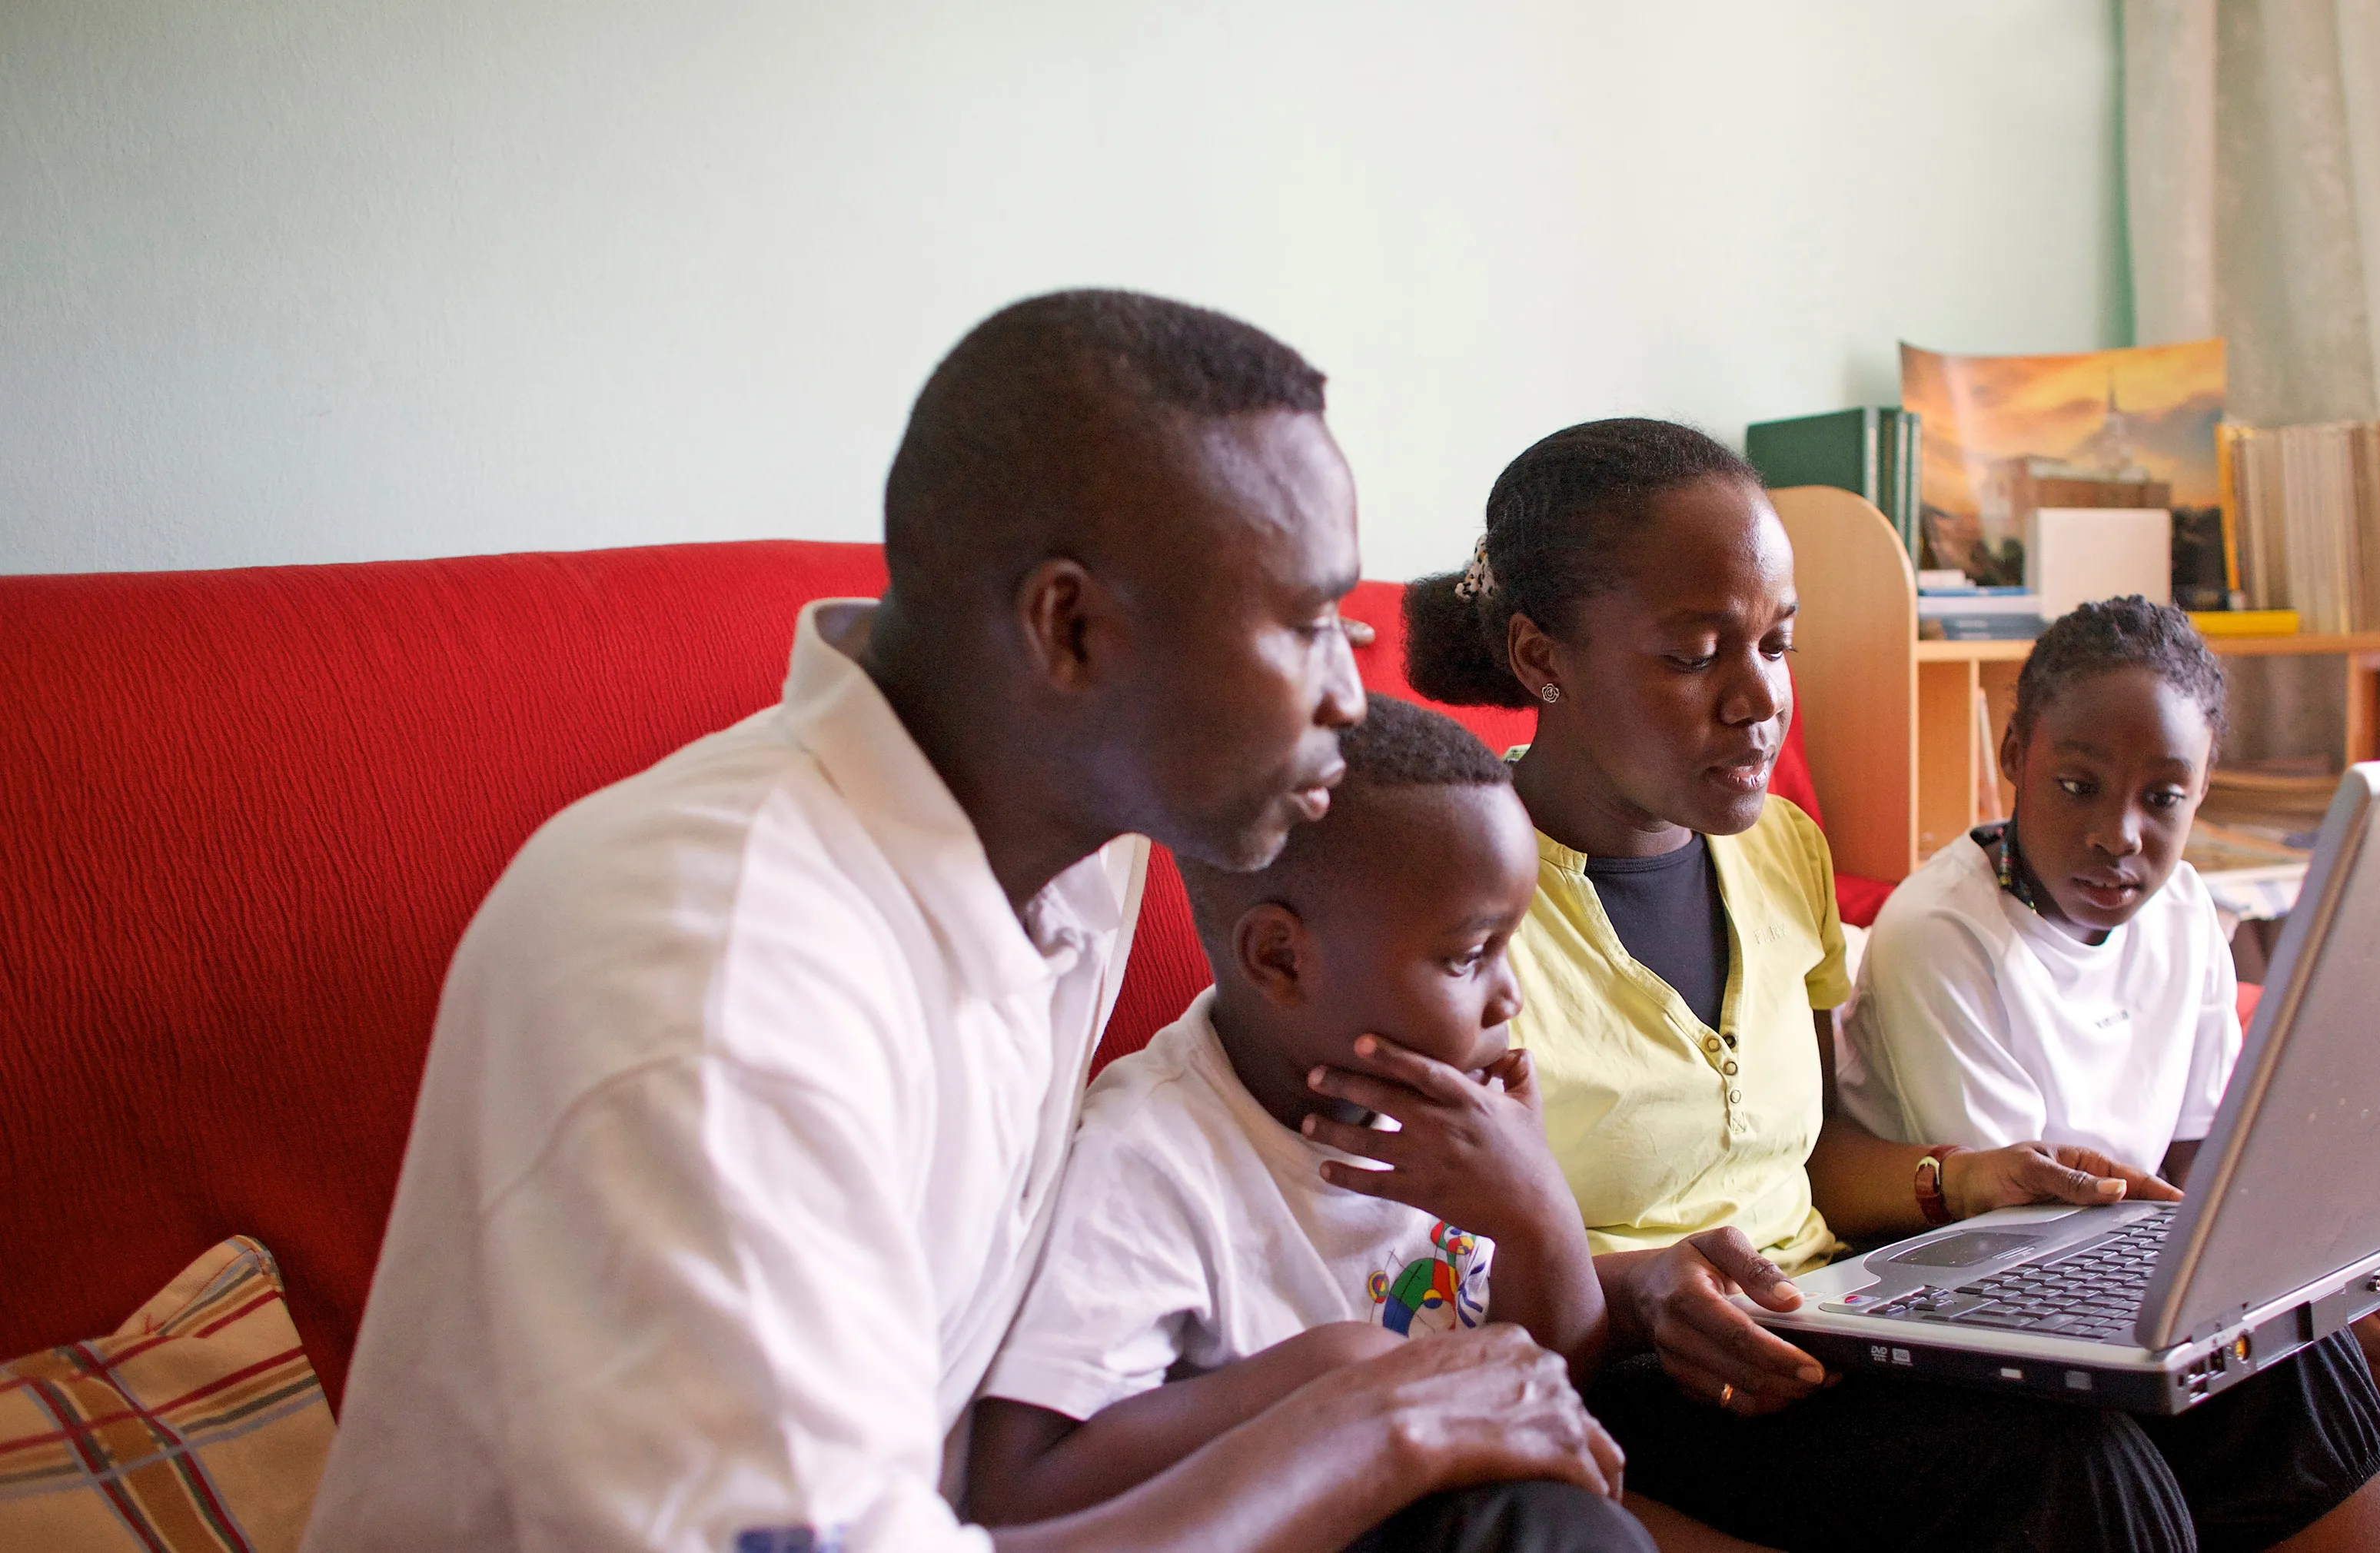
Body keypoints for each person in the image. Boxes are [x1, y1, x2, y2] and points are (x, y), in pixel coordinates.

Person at [303, 291, 1640, 1553]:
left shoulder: (1060, 850)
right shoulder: (723, 980)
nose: (1348, 694)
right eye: (1304, 626)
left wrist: (1609, 1285)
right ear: (1070, 630)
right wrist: (1372, 1422)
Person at [1401, 417, 2380, 1553]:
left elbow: (1812, 1156)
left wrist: (1967, 1179)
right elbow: (1402, 1268)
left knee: (2264, 1363)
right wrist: (1641, 1283)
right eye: (1697, 654)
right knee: (2066, 1471)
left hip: (1825, 1311)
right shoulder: (1444, 903)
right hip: (1636, 1367)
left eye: (1776, 643)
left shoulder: (1779, 850)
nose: (1759, 697)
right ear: (1541, 657)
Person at [1839, 597, 2380, 1553]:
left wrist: (2331, 1290)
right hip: (2005, 1297)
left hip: (2149, 1265)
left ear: (2202, 789)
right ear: (2015, 753)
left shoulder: (2183, 910)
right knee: (2312, 1369)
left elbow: (2206, 1162)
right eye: (2077, 785)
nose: (2120, 834)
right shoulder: (1939, 937)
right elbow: (2023, 1232)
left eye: (2163, 798)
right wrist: (2309, 1323)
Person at [964, 694, 1614, 1529]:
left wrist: (1538, 1216)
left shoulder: (1454, 1128)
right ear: (1279, 958)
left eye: (1508, 946)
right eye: (1466, 956)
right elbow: (1016, 1489)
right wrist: (1340, 1373)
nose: (1510, 996)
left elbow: (1553, 1401)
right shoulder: (1148, 1156)